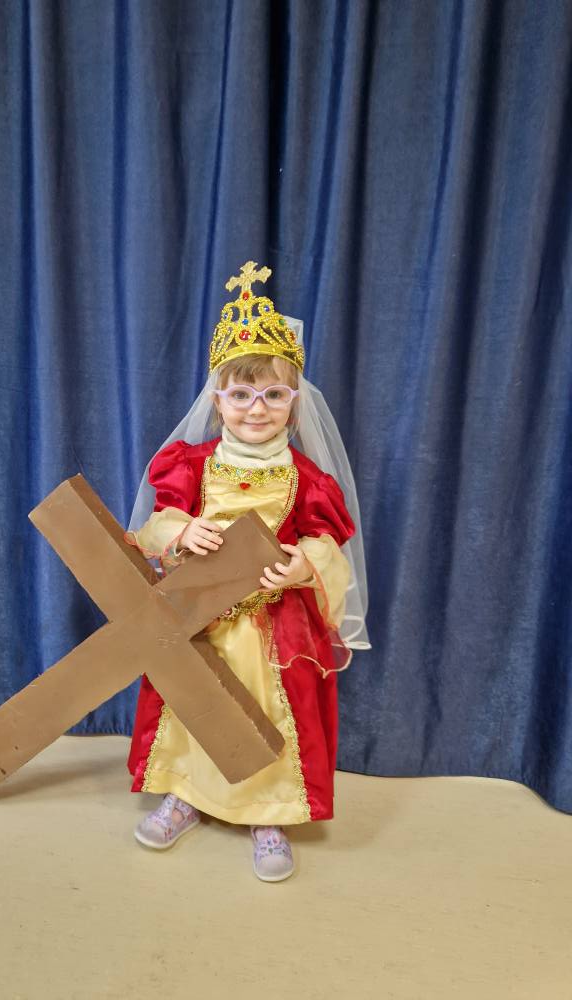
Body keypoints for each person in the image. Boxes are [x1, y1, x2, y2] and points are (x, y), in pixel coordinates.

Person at [124, 261, 369, 882]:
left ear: (294, 403)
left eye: (273, 395)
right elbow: (154, 528)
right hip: (198, 616)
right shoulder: (191, 465)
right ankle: (186, 795)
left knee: (268, 709)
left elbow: (327, 548)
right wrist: (181, 531)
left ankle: (269, 813)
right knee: (192, 700)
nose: (256, 409)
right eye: (240, 395)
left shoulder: (307, 479)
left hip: (273, 624)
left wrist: (303, 567)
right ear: (218, 400)